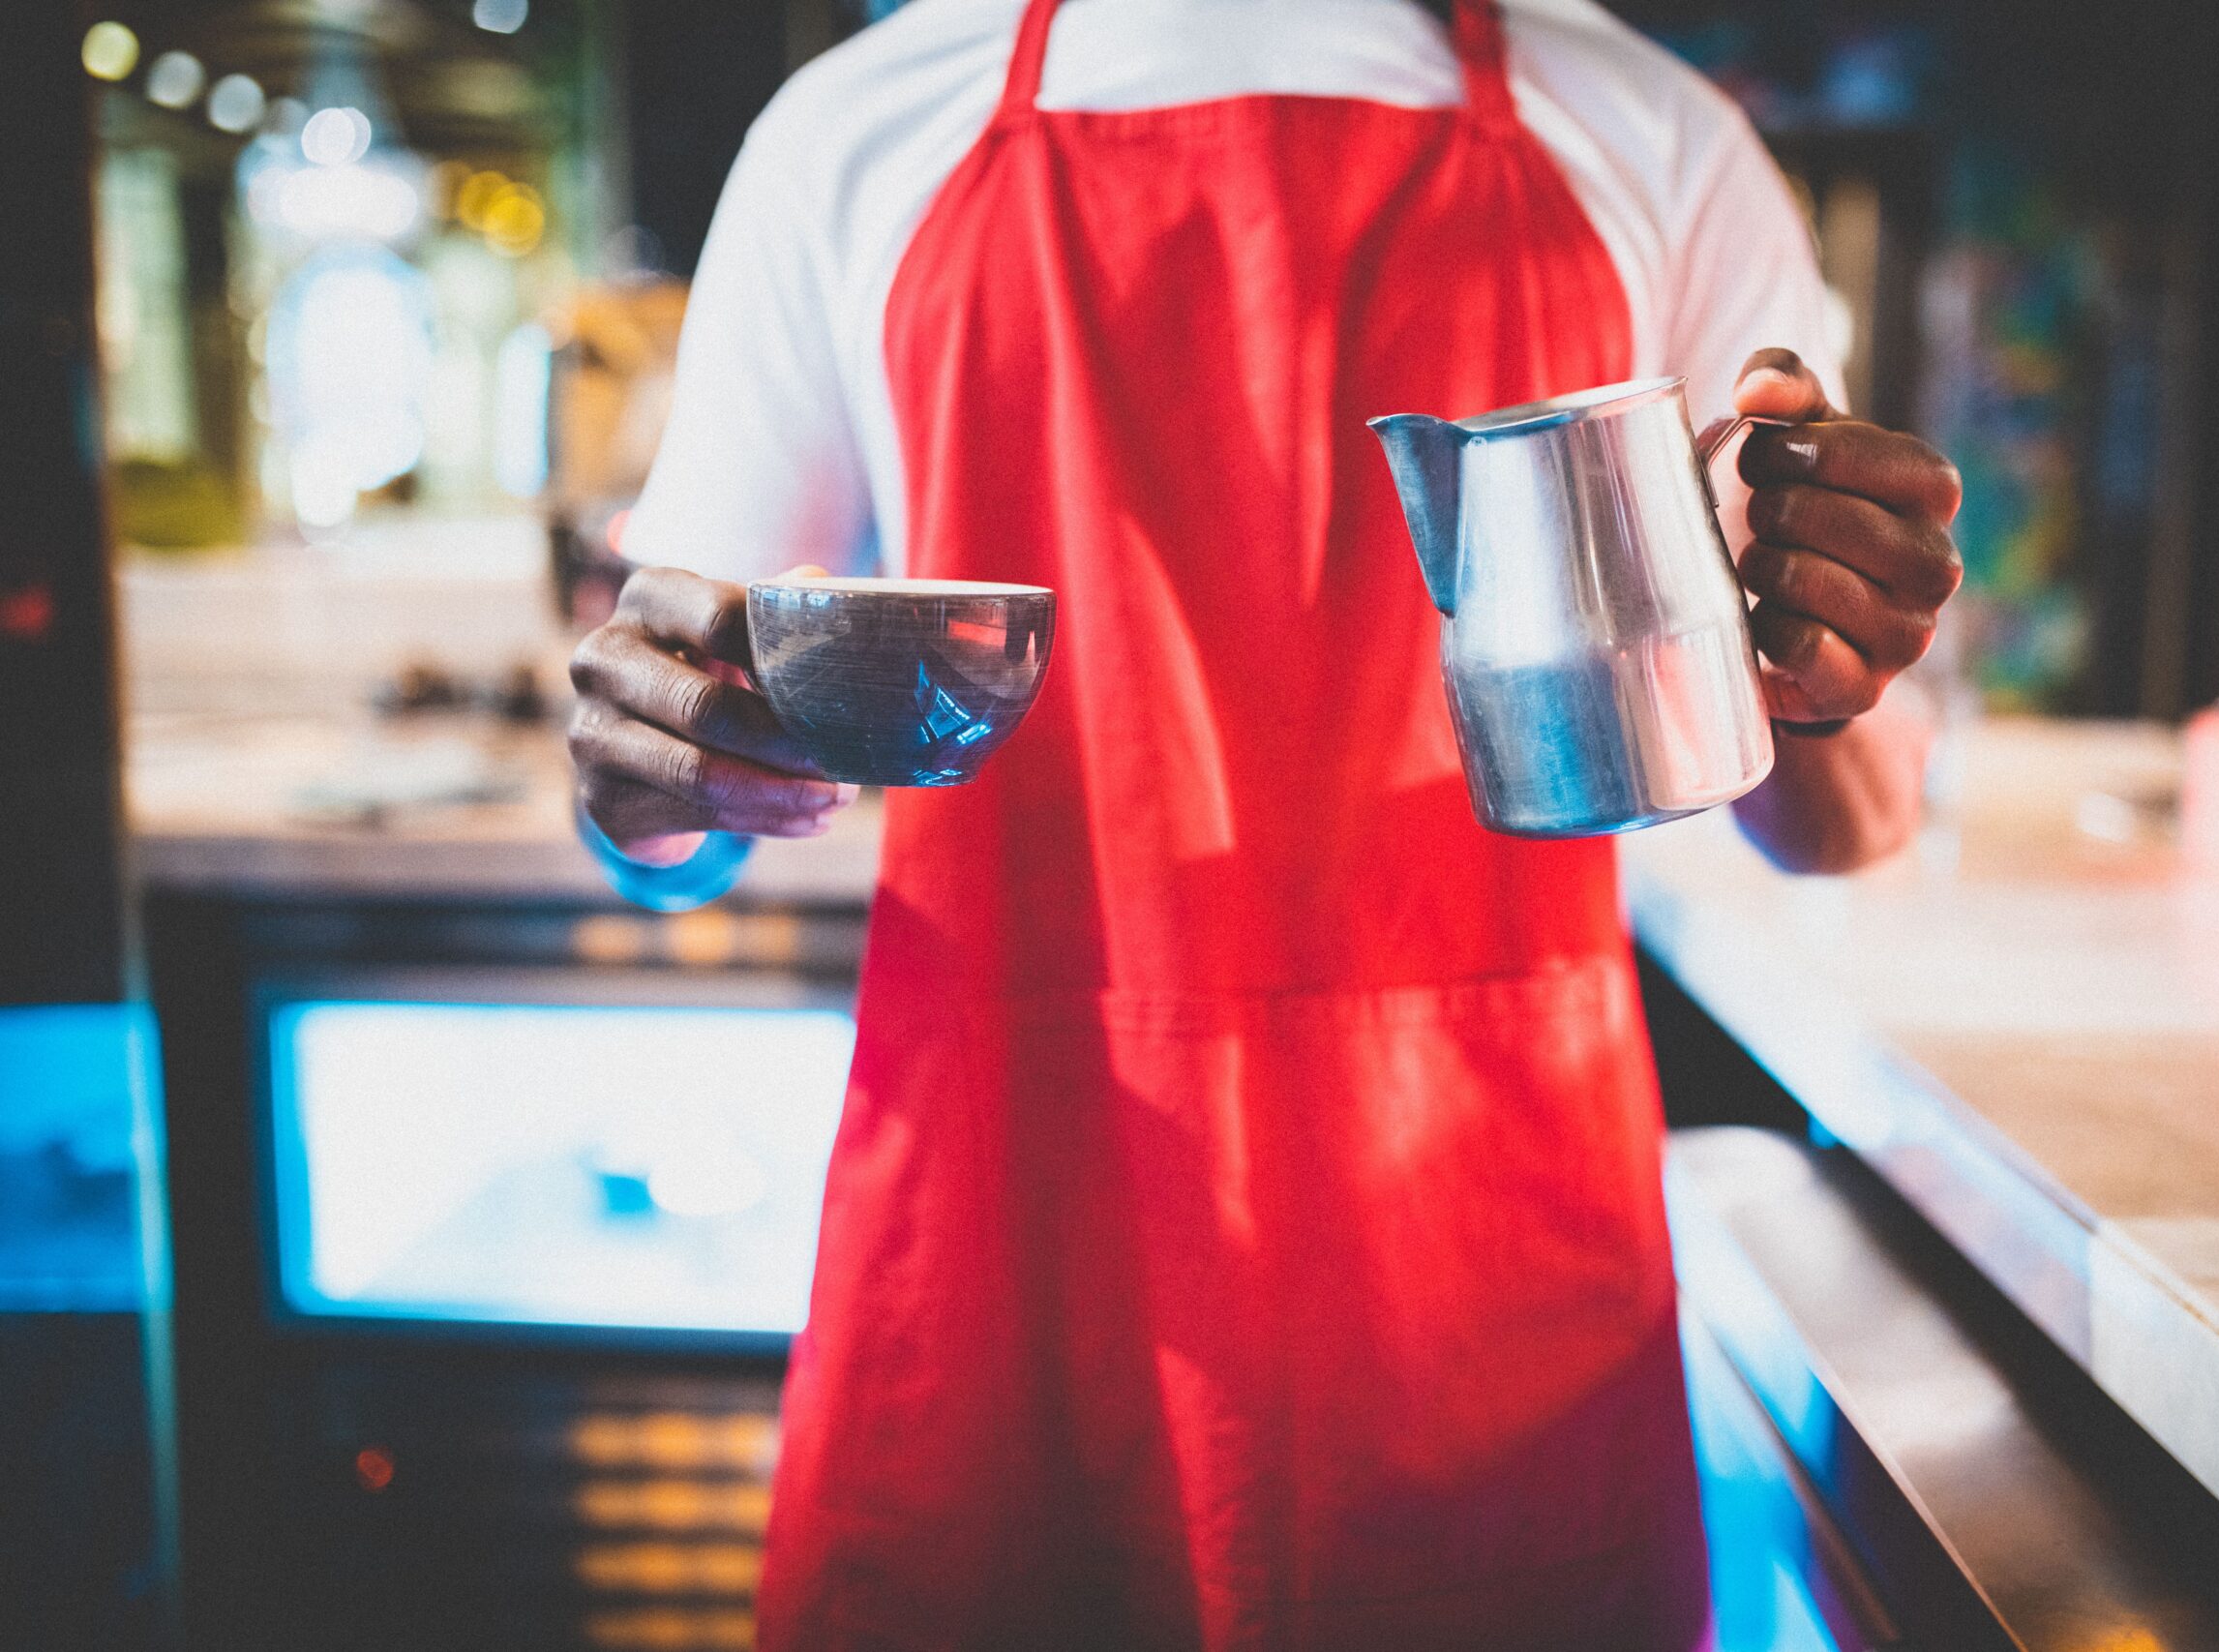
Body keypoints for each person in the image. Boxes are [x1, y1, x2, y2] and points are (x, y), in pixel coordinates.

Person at [565, 0, 1963, 1644]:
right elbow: (681, 797)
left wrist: (1823, 651)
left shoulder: (1656, 142)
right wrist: (643, 784)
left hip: (1476, 1271)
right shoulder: (854, 136)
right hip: (1016, 1254)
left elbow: (1841, 821)